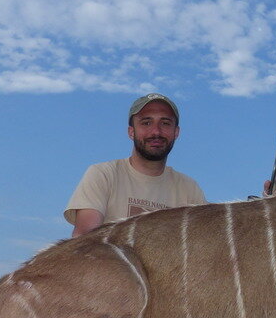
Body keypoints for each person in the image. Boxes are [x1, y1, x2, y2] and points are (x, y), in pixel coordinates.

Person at [65, 93, 207, 236]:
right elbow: (84, 239)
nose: (156, 131)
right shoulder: (103, 174)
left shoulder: (190, 190)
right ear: (131, 132)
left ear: (176, 132)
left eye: (165, 123)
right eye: (146, 123)